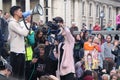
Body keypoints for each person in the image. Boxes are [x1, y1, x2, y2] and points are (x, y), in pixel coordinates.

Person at [8, 6, 30, 79]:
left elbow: (25, 31)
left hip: (21, 52)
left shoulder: (18, 23)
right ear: (15, 12)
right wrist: (28, 23)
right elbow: (24, 33)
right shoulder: (12, 23)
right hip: (16, 53)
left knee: (21, 76)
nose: (22, 13)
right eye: (20, 11)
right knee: (16, 76)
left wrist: (27, 23)